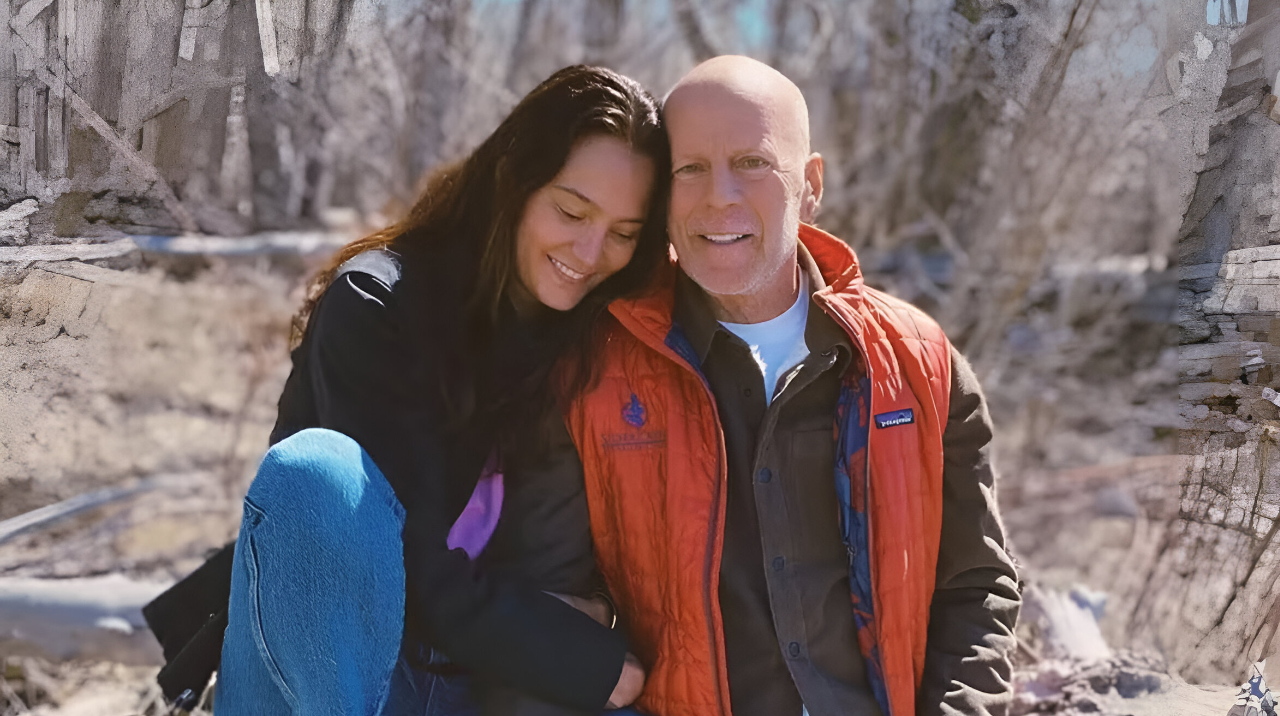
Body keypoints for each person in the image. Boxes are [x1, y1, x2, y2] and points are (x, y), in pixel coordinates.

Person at [143, 65, 665, 715]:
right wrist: (578, 653)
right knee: (318, 474)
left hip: (472, 677)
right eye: (571, 210)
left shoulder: (586, 340)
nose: (589, 251)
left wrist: (592, 617)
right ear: (513, 180)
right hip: (330, 676)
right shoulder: (378, 305)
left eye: (623, 233)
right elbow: (407, 569)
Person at [557, 56, 1022, 716]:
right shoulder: (591, 372)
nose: (719, 195)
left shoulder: (919, 364)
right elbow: (554, 608)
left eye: (752, 163)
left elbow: (975, 587)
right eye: (690, 169)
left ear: (810, 185)